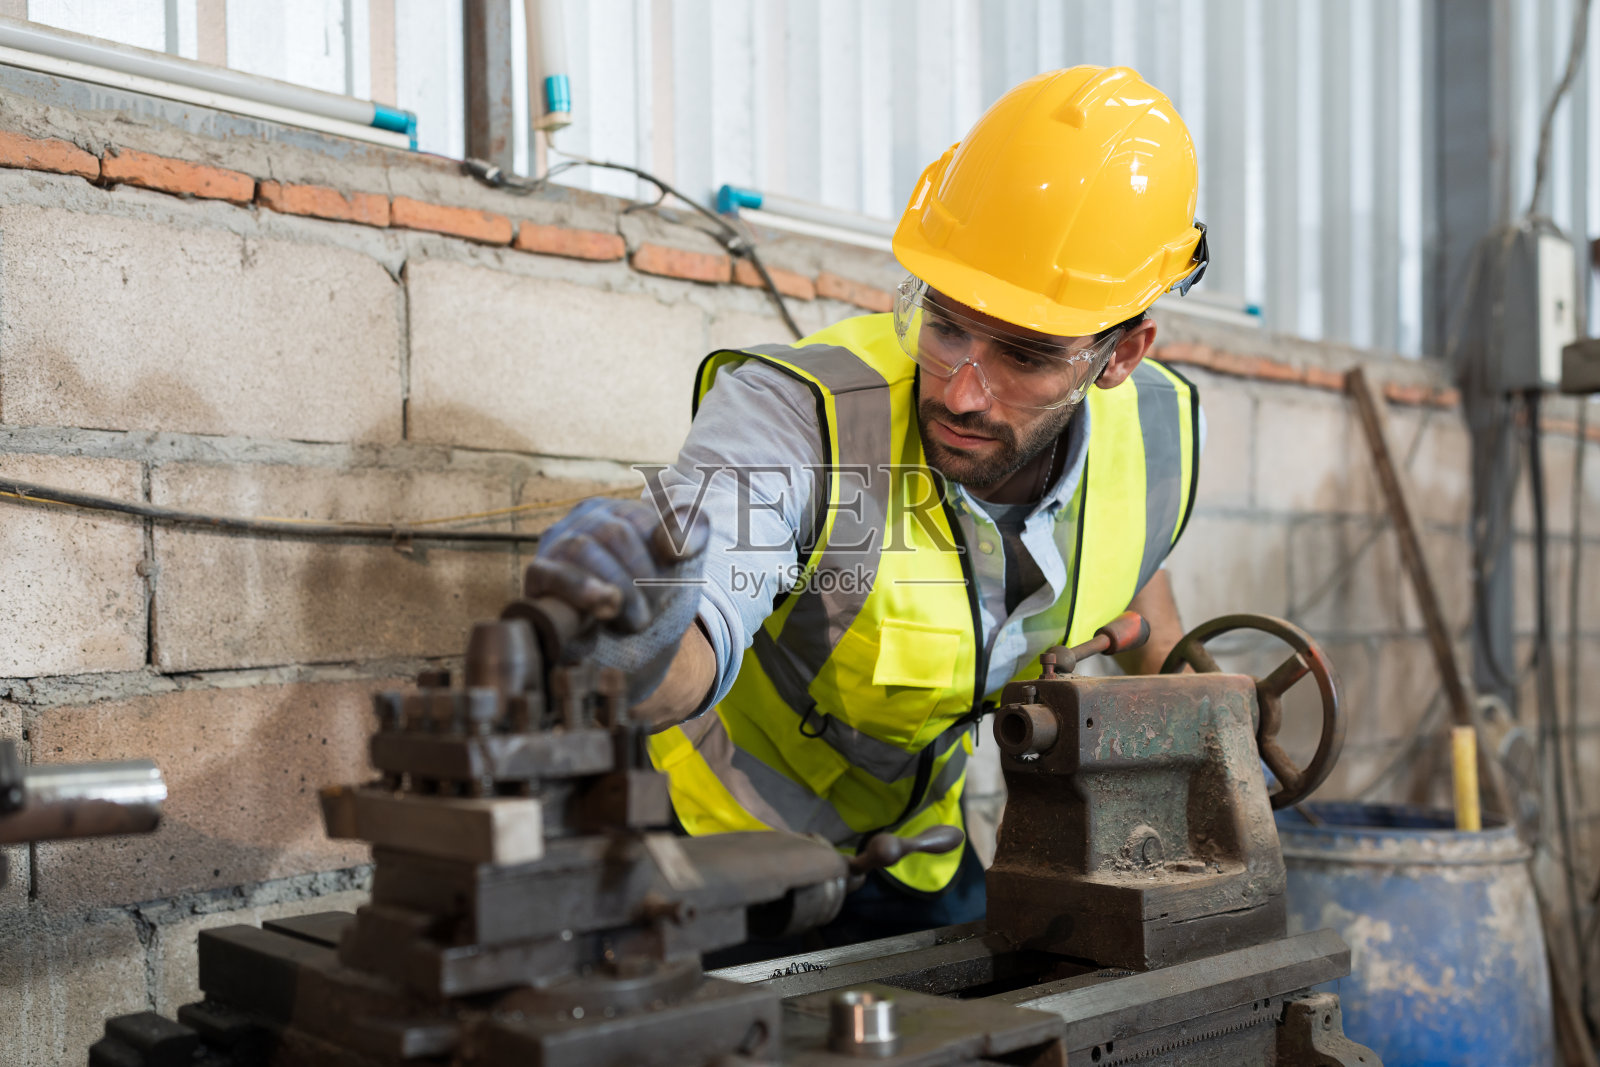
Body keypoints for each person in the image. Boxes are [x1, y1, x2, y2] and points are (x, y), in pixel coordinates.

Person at [528, 65, 1208, 941]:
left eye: (1024, 356)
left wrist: (1225, 745)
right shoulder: (805, 416)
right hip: (717, 852)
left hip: (917, 855)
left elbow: (1142, 606)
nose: (962, 392)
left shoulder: (1151, 439)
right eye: (946, 324)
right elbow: (701, 622)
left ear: (1120, 356)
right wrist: (637, 632)